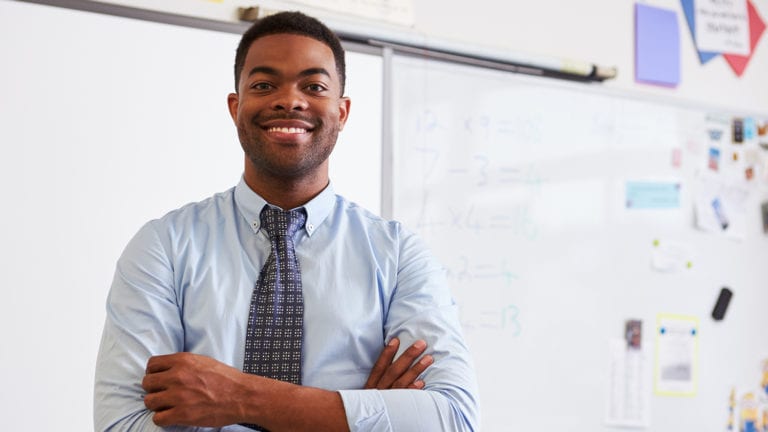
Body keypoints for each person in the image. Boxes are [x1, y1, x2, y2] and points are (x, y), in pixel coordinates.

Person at [94, 10, 479, 432]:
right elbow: (123, 425)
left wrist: (236, 397)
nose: (290, 100)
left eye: (314, 86)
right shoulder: (163, 247)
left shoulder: (398, 255)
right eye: (263, 85)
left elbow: (451, 420)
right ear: (235, 107)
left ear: (342, 112)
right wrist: (353, 413)